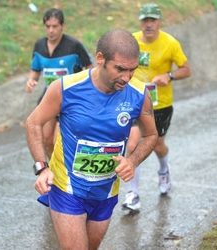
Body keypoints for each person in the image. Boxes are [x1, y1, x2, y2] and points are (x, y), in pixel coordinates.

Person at [25, 29, 158, 249]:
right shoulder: (65, 88)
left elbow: (152, 135)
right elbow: (33, 122)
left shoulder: (139, 94)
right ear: (100, 59)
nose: (126, 77)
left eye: (132, 70)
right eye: (120, 69)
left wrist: (132, 161)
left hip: (106, 192)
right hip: (67, 188)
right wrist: (42, 167)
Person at [122, 3, 192, 211]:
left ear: (159, 21)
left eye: (153, 20)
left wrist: (168, 76)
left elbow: (186, 70)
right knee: (133, 144)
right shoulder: (131, 41)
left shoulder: (170, 43)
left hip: (160, 105)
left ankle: (163, 170)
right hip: (134, 102)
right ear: (140, 21)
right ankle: (133, 193)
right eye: (145, 20)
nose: (149, 24)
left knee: (157, 146)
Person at [25, 8, 93, 159]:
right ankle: (54, 171)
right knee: (46, 140)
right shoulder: (39, 46)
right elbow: (35, 69)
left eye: (55, 26)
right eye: (48, 26)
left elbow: (91, 69)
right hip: (49, 96)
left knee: (58, 141)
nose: (51, 30)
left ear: (62, 26)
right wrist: (31, 80)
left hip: (71, 98)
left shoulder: (74, 46)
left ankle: (65, 172)